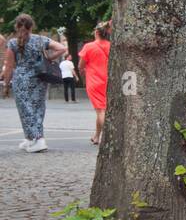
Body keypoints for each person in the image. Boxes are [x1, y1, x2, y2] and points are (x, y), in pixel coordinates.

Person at [1, 13, 67, 153]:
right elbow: (62, 48)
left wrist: (6, 85)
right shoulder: (40, 40)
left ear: (17, 26)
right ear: (32, 27)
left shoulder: (12, 43)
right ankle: (30, 139)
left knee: (25, 110)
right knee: (38, 108)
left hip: (21, 80)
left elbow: (9, 66)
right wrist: (49, 57)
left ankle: (38, 139)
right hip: (40, 77)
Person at [77, 21, 111, 144]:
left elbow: (81, 65)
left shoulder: (89, 46)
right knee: (104, 109)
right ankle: (97, 136)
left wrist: (83, 72)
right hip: (109, 81)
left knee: (101, 111)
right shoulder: (111, 46)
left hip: (94, 82)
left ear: (96, 32)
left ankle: (108, 138)